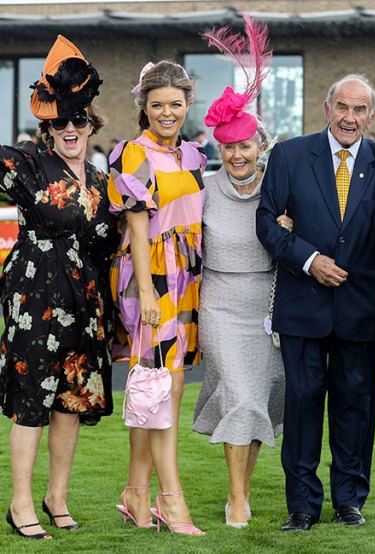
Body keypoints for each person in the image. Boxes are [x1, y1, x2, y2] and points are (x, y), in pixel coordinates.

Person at [256, 73, 375, 531]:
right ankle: (302, 505)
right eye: (343, 107)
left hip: (361, 307)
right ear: (327, 109)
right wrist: (310, 260)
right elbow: (266, 222)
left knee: (356, 406)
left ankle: (349, 499)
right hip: (303, 302)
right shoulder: (289, 155)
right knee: (303, 403)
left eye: (359, 110)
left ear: (372, 115)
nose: (350, 117)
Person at [0, 35, 115, 540]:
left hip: (85, 303)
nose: (71, 129)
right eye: (61, 122)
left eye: (79, 120)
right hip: (35, 297)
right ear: (48, 129)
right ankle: (21, 503)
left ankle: (56, 498)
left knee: (72, 401)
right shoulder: (28, 165)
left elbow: (111, 246)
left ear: (91, 124)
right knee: (32, 402)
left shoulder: (103, 182)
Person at [192, 16, 286, 529]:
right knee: (240, 396)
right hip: (221, 306)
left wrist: (290, 228)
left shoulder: (279, 190)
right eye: (228, 147)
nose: (236, 155)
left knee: (259, 400)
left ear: (259, 146)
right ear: (220, 150)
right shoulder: (204, 190)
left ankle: (242, 490)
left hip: (268, 307)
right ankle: (236, 498)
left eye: (244, 146)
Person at [108, 60, 206, 536]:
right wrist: (147, 292)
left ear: (188, 104)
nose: (167, 113)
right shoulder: (133, 154)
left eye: (175, 104)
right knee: (163, 388)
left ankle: (135, 493)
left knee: (159, 391)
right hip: (153, 279)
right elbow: (136, 229)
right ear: (143, 108)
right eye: (157, 105)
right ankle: (171, 500)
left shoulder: (195, 156)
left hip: (188, 278)